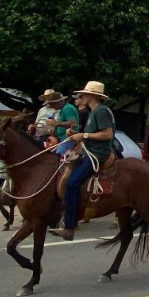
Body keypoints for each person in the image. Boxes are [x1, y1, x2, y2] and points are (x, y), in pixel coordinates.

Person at [51, 81, 116, 239]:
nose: (81, 96)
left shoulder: (100, 111)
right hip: (89, 151)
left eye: (84, 94)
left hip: (97, 154)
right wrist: (75, 133)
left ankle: (69, 226)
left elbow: (108, 134)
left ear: (93, 96)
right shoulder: (93, 111)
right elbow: (91, 135)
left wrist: (84, 135)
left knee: (72, 183)